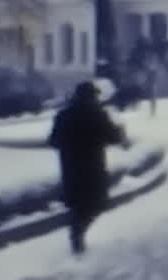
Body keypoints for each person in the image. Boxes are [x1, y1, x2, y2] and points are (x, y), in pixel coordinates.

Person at [47, 81, 130, 256]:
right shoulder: (98, 114)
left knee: (77, 203)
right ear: (92, 96)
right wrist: (120, 133)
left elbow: (53, 141)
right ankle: (77, 233)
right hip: (92, 167)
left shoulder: (63, 115)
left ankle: (77, 234)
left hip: (70, 167)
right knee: (96, 203)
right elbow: (113, 137)